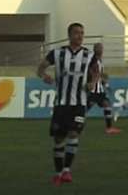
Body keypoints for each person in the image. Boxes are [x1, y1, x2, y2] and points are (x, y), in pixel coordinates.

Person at [36, 23, 96, 185]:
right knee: (58, 138)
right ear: (69, 35)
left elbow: (96, 72)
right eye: (76, 33)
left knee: (74, 134)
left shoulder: (89, 55)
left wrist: (92, 82)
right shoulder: (57, 53)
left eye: (82, 33)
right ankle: (58, 173)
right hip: (61, 103)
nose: (80, 36)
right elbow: (41, 68)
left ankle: (67, 170)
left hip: (79, 103)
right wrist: (44, 76)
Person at [86, 42, 122, 135]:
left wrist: (106, 84)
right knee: (84, 109)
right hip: (93, 90)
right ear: (95, 49)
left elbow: (100, 75)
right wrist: (91, 83)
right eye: (99, 48)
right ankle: (71, 124)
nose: (101, 50)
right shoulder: (93, 60)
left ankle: (109, 128)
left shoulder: (100, 61)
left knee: (107, 104)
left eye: (101, 48)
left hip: (99, 90)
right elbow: (93, 73)